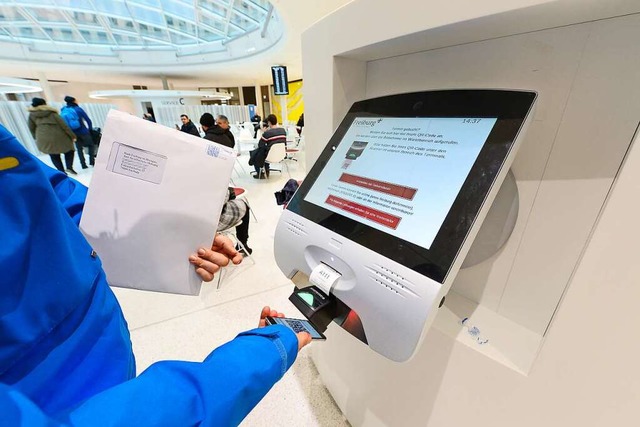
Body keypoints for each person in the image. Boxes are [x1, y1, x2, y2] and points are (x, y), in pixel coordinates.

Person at [0, 124, 311, 425]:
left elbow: (53, 197)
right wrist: (267, 351)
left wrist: (175, 239)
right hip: (55, 389)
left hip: (104, 354)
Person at [27, 97, 78, 175]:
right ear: (44, 103)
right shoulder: (52, 113)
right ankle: (69, 167)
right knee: (69, 151)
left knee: (53, 155)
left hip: (43, 137)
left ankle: (61, 171)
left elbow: (31, 128)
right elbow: (63, 125)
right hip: (59, 136)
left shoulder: (32, 115)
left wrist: (36, 137)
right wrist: (72, 136)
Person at [62, 95, 95, 169]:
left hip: (74, 133)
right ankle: (92, 161)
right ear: (74, 101)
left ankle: (83, 164)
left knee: (79, 149)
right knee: (91, 145)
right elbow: (88, 120)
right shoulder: (78, 109)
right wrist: (90, 129)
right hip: (83, 131)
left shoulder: (64, 110)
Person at [218, 187, 253, 255]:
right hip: (214, 220)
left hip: (195, 223)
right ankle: (243, 244)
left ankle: (242, 243)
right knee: (243, 205)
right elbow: (222, 198)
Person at [252, 114, 286, 179]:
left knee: (258, 152)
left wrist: (264, 132)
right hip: (281, 155)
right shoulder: (283, 131)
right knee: (264, 150)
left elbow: (260, 144)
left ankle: (261, 172)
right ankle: (266, 170)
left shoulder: (267, 133)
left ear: (269, 122)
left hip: (270, 156)